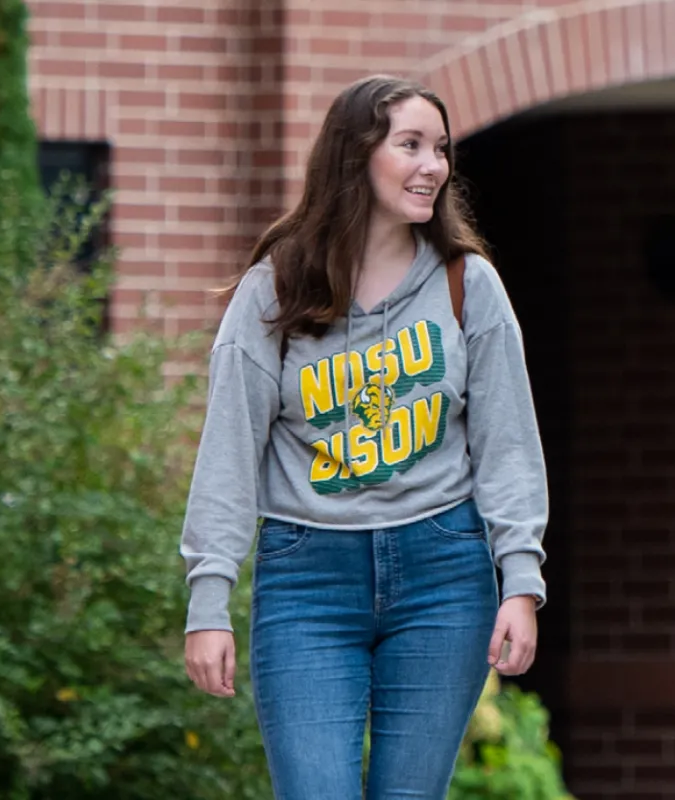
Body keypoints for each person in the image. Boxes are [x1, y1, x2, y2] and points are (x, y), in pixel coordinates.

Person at [179, 75, 549, 799]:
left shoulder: (467, 285)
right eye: (410, 145)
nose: (433, 166)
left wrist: (522, 583)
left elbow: (508, 447)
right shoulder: (276, 289)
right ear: (355, 158)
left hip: (444, 575)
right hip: (306, 577)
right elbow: (229, 452)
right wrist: (208, 599)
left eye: (440, 149)